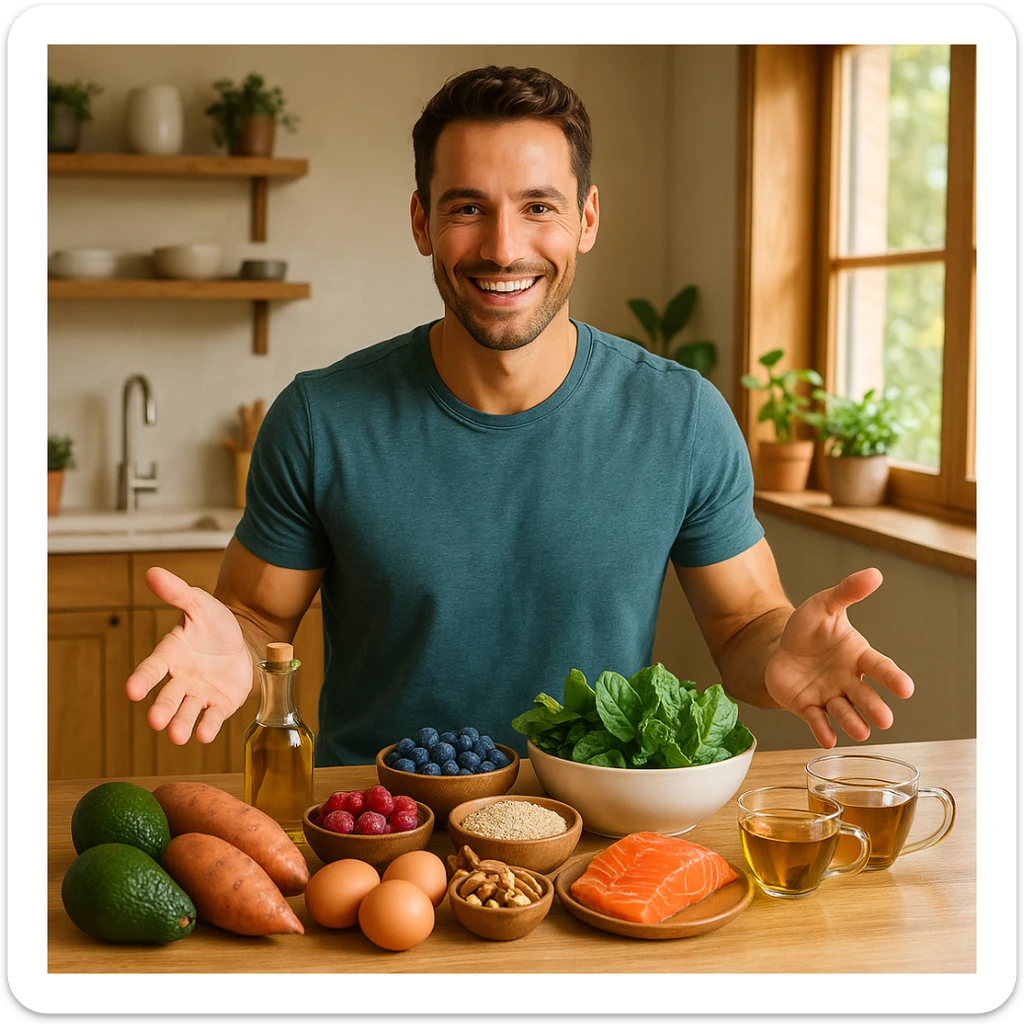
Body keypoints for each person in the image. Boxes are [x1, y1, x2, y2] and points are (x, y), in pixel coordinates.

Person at [126, 64, 914, 766]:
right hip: (382, 837)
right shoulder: (320, 419)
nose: (503, 247)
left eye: (539, 206)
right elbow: (259, 611)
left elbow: (745, 627)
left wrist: (779, 658)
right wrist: (234, 639)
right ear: (420, 222)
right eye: (467, 207)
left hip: (598, 829)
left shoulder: (681, 418)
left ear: (588, 219)